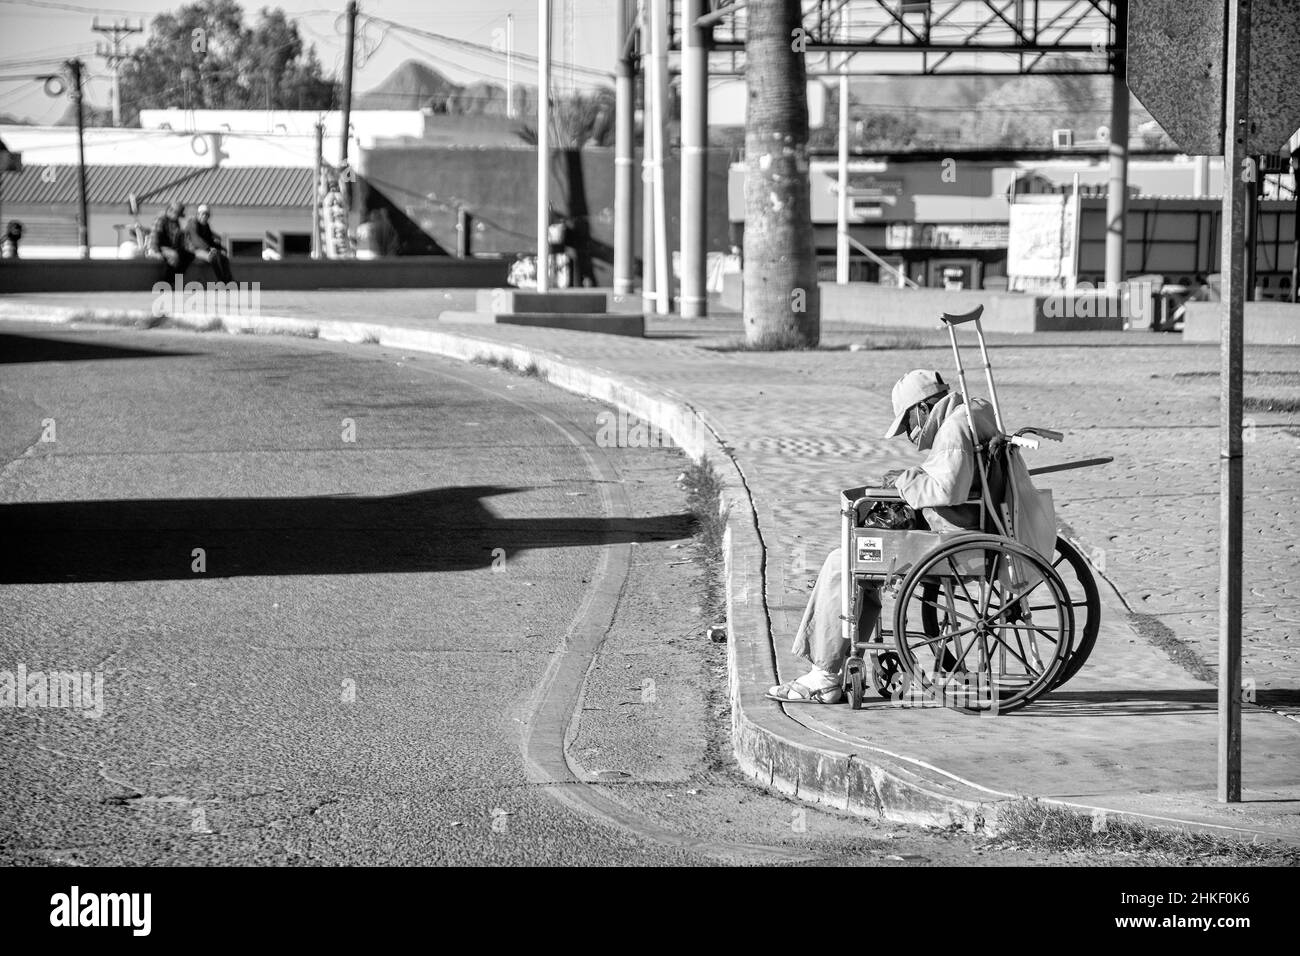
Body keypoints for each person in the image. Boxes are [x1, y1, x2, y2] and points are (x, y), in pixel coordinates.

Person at [766, 369, 999, 704]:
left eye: (908, 425)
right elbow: (954, 478)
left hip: (952, 540)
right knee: (860, 558)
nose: (909, 434)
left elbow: (947, 489)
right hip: (964, 529)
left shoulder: (954, 429)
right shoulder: (974, 413)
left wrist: (903, 480)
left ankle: (825, 675)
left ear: (922, 408)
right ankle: (836, 662)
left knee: (842, 562)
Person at [184, 203, 234, 282]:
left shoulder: (206, 225)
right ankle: (221, 281)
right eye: (203, 214)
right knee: (213, 257)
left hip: (203, 248)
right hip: (193, 250)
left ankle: (229, 280)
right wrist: (208, 248)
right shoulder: (192, 224)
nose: (205, 216)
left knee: (223, 258)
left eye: (207, 215)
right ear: (198, 214)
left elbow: (210, 239)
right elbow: (196, 239)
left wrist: (221, 248)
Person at [150, 201, 191, 279]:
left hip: (171, 247)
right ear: (170, 211)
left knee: (189, 255)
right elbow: (155, 234)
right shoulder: (161, 219)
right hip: (161, 247)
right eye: (177, 214)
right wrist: (155, 251)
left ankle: (177, 280)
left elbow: (178, 238)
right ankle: (166, 282)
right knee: (174, 256)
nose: (178, 217)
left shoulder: (175, 221)